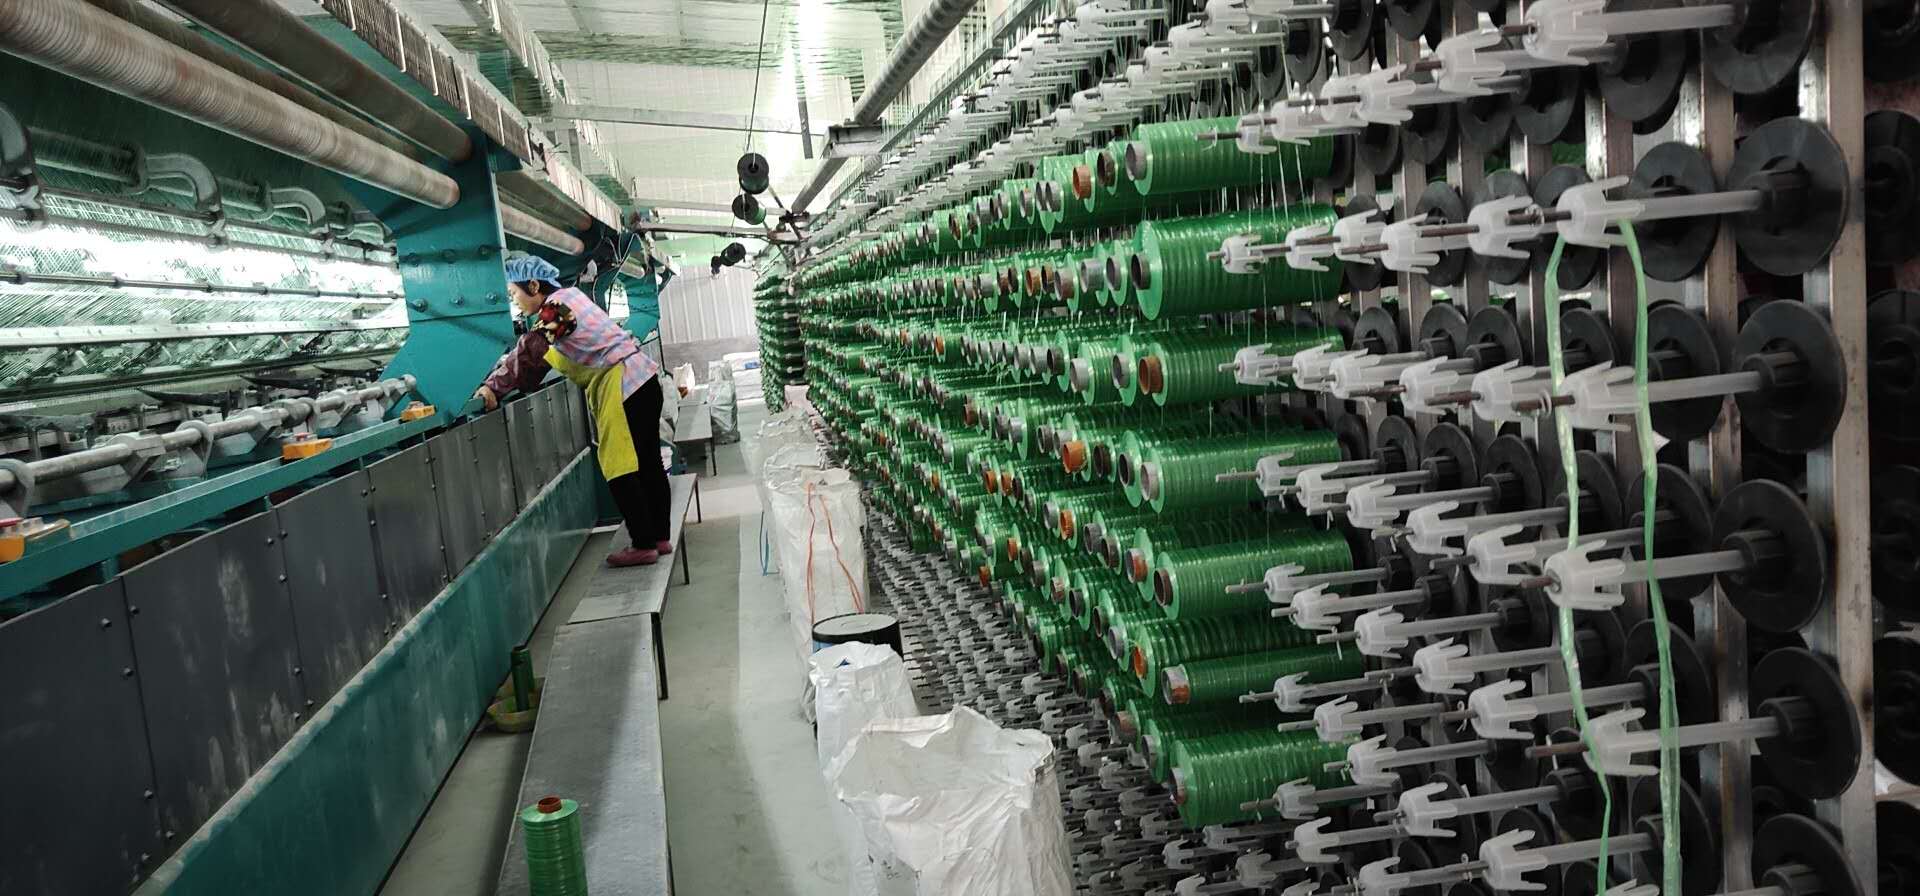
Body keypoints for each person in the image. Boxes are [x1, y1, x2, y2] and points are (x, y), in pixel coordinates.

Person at [475, 255, 672, 567]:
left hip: (624, 387)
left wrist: (493, 387)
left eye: (514, 293)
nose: (515, 302)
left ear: (533, 285)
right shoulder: (573, 297)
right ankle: (660, 537)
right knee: (648, 462)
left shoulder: (557, 308)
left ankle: (643, 543)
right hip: (644, 381)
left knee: (619, 465)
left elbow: (533, 349)